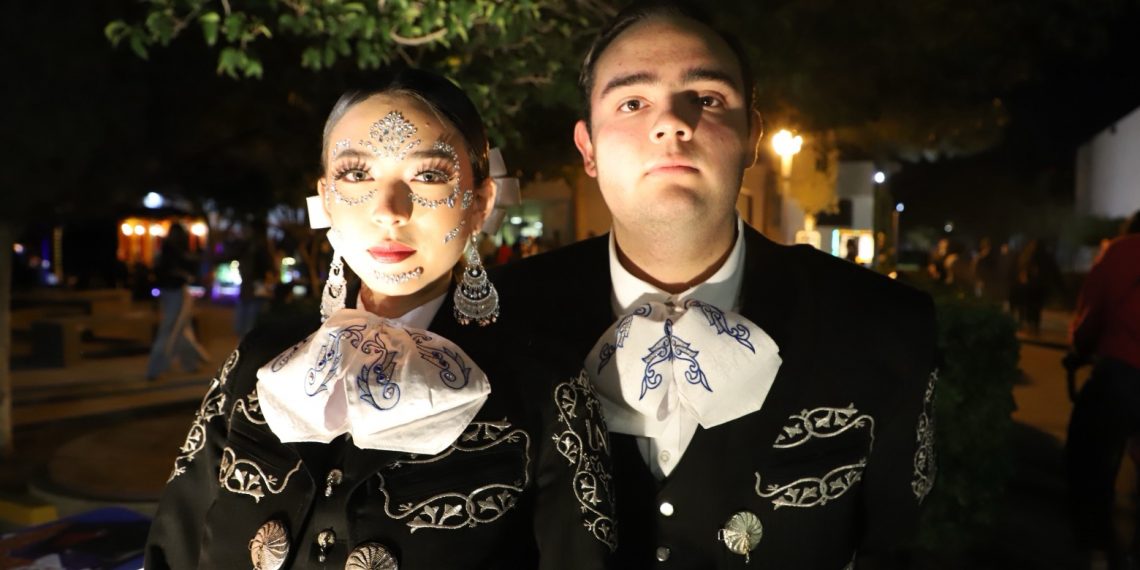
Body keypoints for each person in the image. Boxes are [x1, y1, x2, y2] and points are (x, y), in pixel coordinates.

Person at [491, 3, 938, 568]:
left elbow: (897, 547)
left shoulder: (883, 324)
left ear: (753, 136)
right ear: (588, 149)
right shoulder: (498, 320)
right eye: (632, 102)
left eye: (706, 98)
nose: (671, 124)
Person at [146, 69, 616, 569]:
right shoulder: (260, 360)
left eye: (428, 176)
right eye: (357, 174)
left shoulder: (545, 389)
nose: (389, 210)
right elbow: (173, 546)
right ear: (326, 198)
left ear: (480, 204)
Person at [1065, 210, 1140, 570]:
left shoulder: (1122, 251)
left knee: (1090, 456)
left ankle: (1096, 548)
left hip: (1122, 371)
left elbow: (1093, 310)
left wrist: (1080, 349)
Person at [146, 222, 211, 380]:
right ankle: (156, 367)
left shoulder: (165, 249)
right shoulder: (173, 250)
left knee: (182, 327)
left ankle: (190, 362)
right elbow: (183, 267)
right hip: (175, 290)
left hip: (170, 291)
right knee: (172, 328)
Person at [234, 218, 276, 337]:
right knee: (247, 326)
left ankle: (245, 346)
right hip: (252, 289)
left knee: (247, 327)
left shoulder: (256, 248)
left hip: (253, 289)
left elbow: (268, 269)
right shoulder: (255, 247)